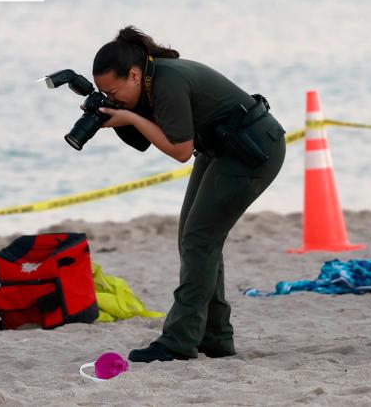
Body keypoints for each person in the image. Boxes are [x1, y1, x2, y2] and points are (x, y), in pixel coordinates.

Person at [87, 27, 287, 363]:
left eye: (113, 90)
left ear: (134, 74)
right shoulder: (150, 81)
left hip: (253, 150)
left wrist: (131, 117)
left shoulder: (167, 81)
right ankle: (216, 337)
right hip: (220, 148)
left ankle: (178, 341)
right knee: (193, 238)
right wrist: (121, 116)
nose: (112, 98)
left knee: (199, 238)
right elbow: (156, 137)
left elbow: (180, 150)